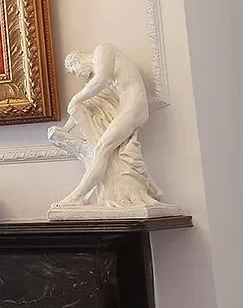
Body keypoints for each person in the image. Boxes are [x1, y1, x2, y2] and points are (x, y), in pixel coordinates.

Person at [49, 44, 164, 209]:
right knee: (118, 153)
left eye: (75, 71)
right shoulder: (102, 71)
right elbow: (86, 104)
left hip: (133, 108)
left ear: (76, 61)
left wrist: (74, 99)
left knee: (101, 150)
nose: (78, 75)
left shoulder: (102, 50)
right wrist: (66, 129)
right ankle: (154, 189)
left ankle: (77, 196)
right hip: (127, 110)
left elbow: (99, 81)